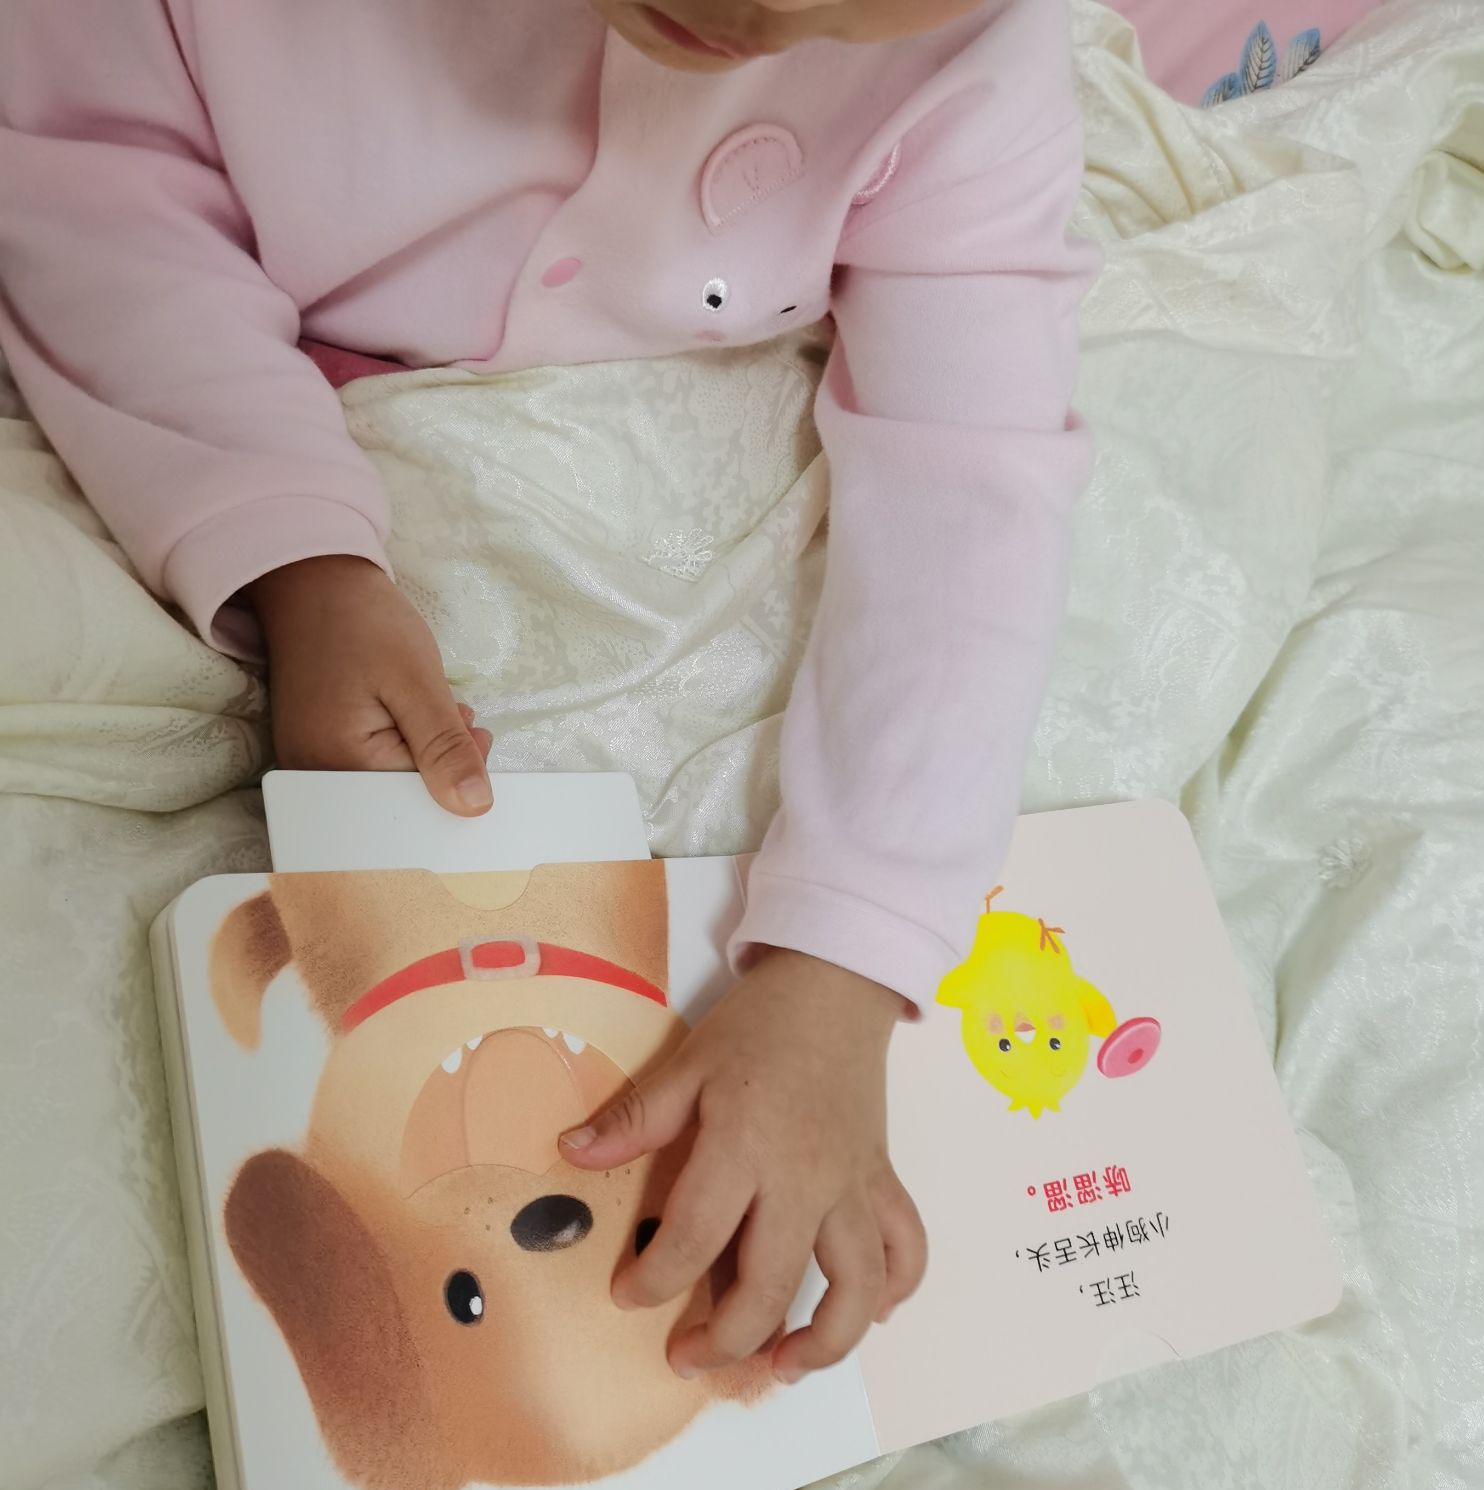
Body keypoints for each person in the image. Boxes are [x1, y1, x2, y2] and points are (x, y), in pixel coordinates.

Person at [0, 0, 1094, 1387]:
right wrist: (291, 552)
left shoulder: (987, 64)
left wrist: (846, 966)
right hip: (243, 426)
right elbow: (97, 195)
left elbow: (972, 481)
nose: (753, 15)